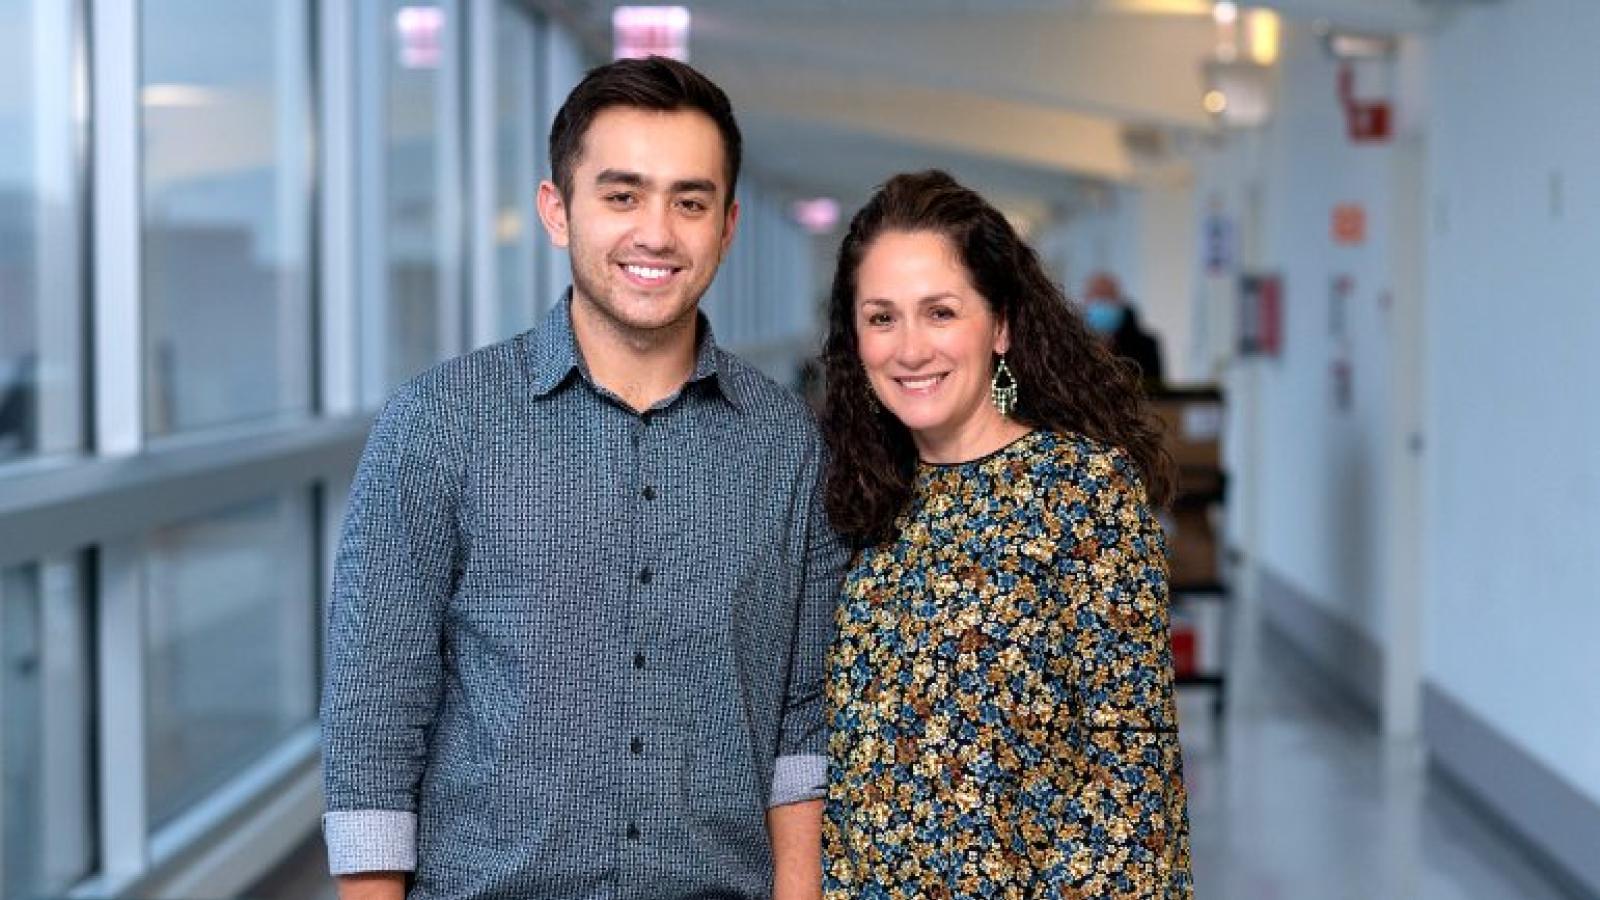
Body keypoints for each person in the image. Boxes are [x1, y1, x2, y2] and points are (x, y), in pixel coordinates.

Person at [321, 56, 845, 900]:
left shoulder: (789, 445)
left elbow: (802, 720)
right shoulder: (439, 422)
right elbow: (375, 713)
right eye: (621, 194)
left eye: (690, 201)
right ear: (557, 212)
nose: (657, 233)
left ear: (728, 226)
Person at [817, 171, 1192, 897]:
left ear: (1001, 325)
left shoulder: (1080, 490)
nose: (911, 349)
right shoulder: (848, 495)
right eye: (882, 317)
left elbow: (1131, 769)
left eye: (941, 312)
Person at [1084, 271, 1166, 388]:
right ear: (1085, 300)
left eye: (1108, 296)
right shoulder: (1070, 343)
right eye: (1096, 295)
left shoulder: (1145, 345)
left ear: (1119, 301)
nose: (1102, 302)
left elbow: (1154, 390)